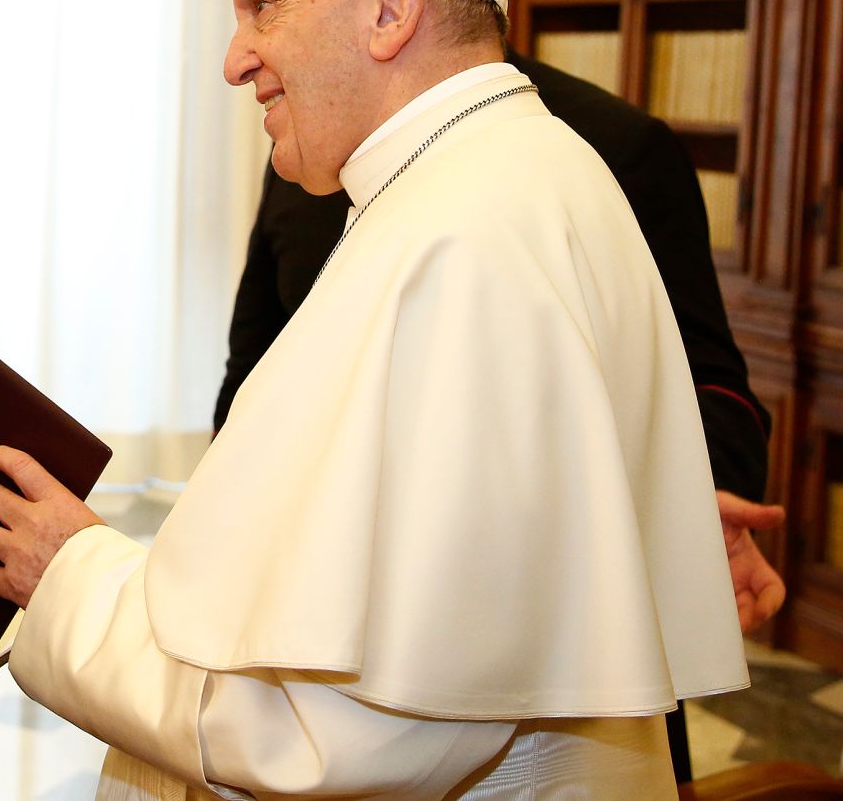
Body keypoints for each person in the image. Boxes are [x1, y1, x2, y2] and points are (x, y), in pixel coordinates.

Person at [0, 0, 749, 800]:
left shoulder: (465, 234)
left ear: (390, 4)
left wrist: (75, 577)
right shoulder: (501, 176)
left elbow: (349, 732)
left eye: (263, 7)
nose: (234, 56)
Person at [214, 54, 788, 783]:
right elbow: (251, 370)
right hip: (305, 646)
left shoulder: (615, 143)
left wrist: (673, 500)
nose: (243, 56)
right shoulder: (312, 140)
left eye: (270, 4)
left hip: (561, 681)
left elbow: (710, 384)